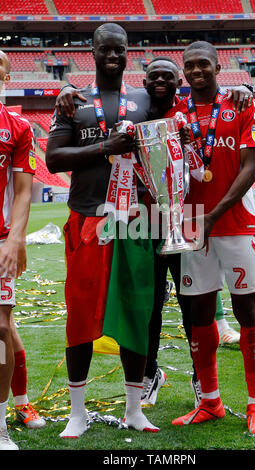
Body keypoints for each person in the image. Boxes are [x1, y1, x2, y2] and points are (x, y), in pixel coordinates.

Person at [55, 54, 251, 410]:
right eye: (152, 77)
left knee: (194, 302)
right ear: (142, 81)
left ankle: (200, 379)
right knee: (150, 301)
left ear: (179, 82)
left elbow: (219, 95)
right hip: (145, 217)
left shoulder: (185, 106)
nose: (159, 82)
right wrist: (66, 88)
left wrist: (244, 86)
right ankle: (149, 374)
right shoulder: (137, 105)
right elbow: (96, 100)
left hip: (186, 213)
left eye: (167, 77)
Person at [46, 23, 159, 438]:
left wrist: (245, 92)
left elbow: (185, 117)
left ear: (129, 53)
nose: (113, 57)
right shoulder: (73, 100)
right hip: (88, 219)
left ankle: (134, 409)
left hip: (134, 221)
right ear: (92, 52)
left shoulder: (148, 99)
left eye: (120, 50)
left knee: (135, 312)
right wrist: (102, 148)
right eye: (105, 50)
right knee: (80, 315)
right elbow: (54, 159)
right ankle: (77, 413)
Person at [165, 41, 255, 435]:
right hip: (194, 226)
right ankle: (210, 402)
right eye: (189, 66)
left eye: (203, 64)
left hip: (237, 224)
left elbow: (252, 168)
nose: (196, 71)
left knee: (247, 313)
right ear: (184, 71)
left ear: (217, 65)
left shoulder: (243, 104)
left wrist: (213, 214)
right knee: (199, 315)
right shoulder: (175, 115)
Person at [0, 50, 40, 450]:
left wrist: (16, 238)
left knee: (0, 327)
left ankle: (4, 422)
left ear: (8, 75)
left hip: (0, 240)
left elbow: (25, 189)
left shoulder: (17, 126)